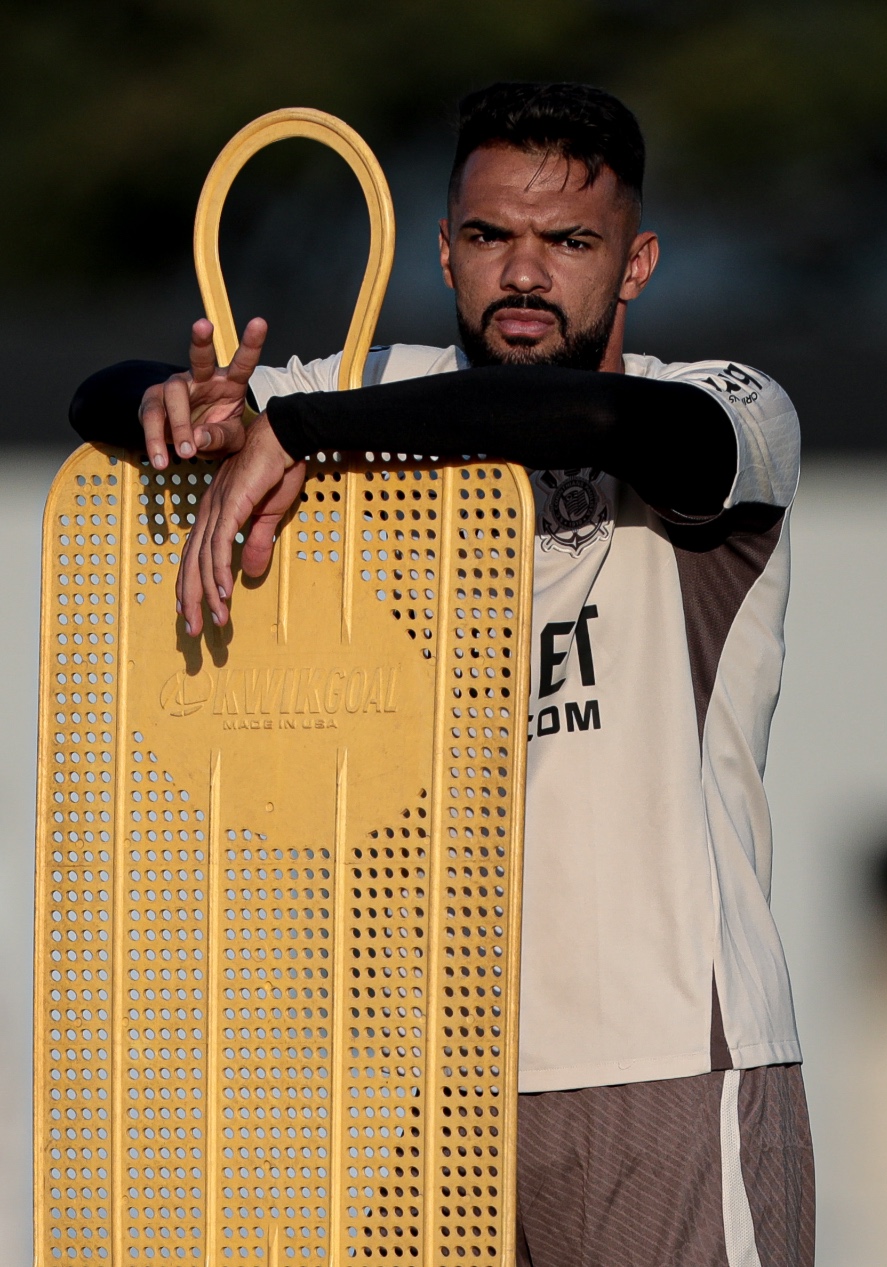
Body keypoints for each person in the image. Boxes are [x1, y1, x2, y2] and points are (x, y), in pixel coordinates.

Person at [70, 81, 811, 1267]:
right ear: (444, 251)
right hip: (445, 1086)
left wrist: (304, 429)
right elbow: (100, 394)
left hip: (670, 1054)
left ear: (637, 262)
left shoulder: (727, 408)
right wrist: (184, 408)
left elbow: (580, 419)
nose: (525, 274)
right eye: (488, 238)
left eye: (570, 242)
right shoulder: (383, 395)